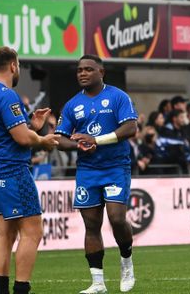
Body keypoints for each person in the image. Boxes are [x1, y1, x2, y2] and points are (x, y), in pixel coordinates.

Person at [0, 46, 59, 294]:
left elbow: (11, 132)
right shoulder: (7, 94)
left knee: (4, 233)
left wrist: (31, 125)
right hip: (11, 170)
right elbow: (22, 139)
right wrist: (42, 139)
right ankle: (21, 290)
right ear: (13, 65)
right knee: (32, 231)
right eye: (19, 65)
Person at [54, 54, 138, 294]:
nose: (82, 73)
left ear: (101, 72)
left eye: (89, 69)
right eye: (79, 70)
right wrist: (76, 145)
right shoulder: (71, 105)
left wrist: (96, 141)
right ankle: (98, 282)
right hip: (88, 170)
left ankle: (126, 261)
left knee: (117, 218)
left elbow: (130, 127)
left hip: (115, 167)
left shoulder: (118, 97)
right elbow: (60, 138)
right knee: (91, 225)